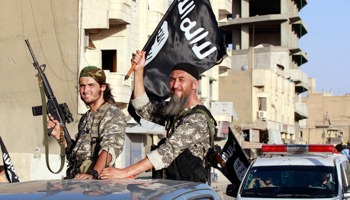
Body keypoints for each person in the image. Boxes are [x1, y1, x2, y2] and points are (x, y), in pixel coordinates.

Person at [100, 50, 216, 183]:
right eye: (172, 80)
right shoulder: (177, 110)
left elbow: (166, 152)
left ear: (194, 84)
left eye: (181, 80)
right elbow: (143, 107)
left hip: (189, 192)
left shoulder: (198, 119)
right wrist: (138, 71)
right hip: (171, 187)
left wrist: (125, 172)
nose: (175, 85)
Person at [47, 66, 126, 179]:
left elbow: (109, 149)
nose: (85, 90)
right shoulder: (86, 117)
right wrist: (59, 136)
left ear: (103, 87)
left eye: (91, 85)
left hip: (96, 187)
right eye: (82, 86)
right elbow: (75, 155)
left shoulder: (112, 114)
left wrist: (93, 174)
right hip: (77, 179)